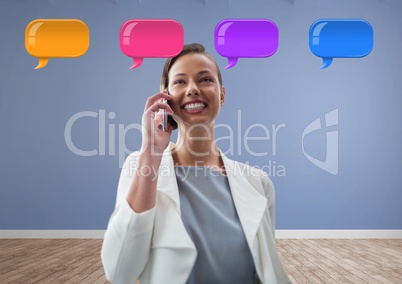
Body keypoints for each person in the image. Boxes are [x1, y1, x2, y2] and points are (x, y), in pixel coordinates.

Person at [101, 43, 291, 284]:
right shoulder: (141, 167)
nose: (192, 89)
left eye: (204, 79)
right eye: (180, 82)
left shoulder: (259, 183)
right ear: (165, 98)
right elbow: (119, 272)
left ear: (221, 95)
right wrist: (151, 150)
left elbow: (264, 271)